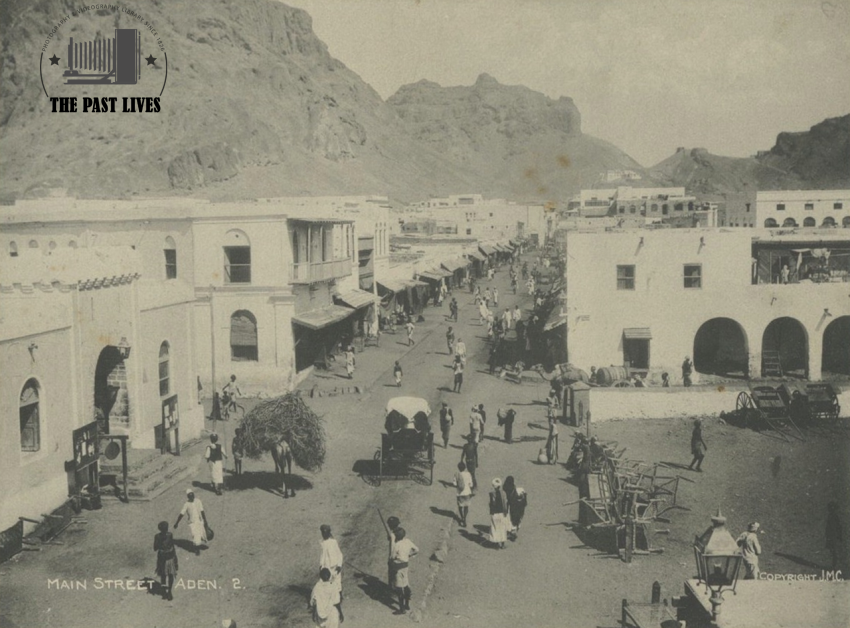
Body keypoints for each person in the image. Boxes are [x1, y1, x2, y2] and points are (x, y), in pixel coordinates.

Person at [390, 527, 419, 614]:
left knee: (399, 587)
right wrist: (410, 555)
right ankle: (407, 604)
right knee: (406, 584)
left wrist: (392, 541)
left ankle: (402, 609)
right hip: (405, 565)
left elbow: (392, 556)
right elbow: (417, 549)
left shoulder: (397, 545)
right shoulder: (408, 541)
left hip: (398, 567)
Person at [319, 525, 344, 622]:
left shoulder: (333, 542)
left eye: (325, 532)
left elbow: (339, 554)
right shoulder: (322, 542)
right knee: (326, 583)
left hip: (334, 567)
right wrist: (321, 565)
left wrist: (339, 565)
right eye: (322, 532)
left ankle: (339, 599)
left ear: (329, 533)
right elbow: (323, 555)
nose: (323, 534)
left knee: (337, 584)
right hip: (326, 567)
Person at [174, 489, 208, 555]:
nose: (192, 497)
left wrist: (205, 520)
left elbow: (202, 511)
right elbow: (182, 514)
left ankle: (198, 545)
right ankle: (197, 549)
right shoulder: (186, 504)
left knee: (201, 533)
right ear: (188, 497)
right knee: (195, 535)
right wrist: (177, 523)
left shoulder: (198, 501)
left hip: (199, 520)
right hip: (192, 523)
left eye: (192, 495)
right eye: (190, 496)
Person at [153, 521, 178, 600]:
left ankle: (168, 591)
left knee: (168, 575)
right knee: (165, 575)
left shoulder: (167, 535)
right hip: (165, 558)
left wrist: (175, 559)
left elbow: (172, 546)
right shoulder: (159, 536)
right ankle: (166, 591)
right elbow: (155, 548)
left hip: (167, 558)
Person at [489, 478, 509, 549]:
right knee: (502, 528)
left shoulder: (491, 494)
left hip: (494, 513)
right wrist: (506, 512)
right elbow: (505, 503)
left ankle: (497, 544)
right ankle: (503, 544)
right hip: (502, 513)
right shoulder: (503, 493)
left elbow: (492, 504)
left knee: (495, 528)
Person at [383, 515, 402, 587]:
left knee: (392, 575)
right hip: (402, 555)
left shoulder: (392, 536)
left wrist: (390, 559)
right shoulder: (401, 531)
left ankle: (392, 588)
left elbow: (392, 547)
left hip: (394, 557)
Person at [826, 501, 844, 571]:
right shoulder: (832, 516)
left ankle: (834, 565)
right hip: (831, 536)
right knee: (833, 550)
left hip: (833, 536)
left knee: (834, 551)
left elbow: (838, 527)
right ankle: (834, 565)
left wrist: (839, 536)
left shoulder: (833, 517)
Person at [454, 462, 473, 527]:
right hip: (467, 492)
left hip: (460, 493)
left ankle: (462, 517)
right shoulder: (468, 474)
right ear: (465, 467)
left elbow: (454, 484)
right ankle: (465, 518)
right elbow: (471, 484)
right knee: (466, 506)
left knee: (460, 506)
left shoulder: (457, 474)